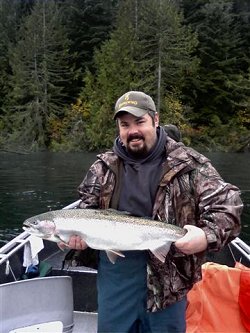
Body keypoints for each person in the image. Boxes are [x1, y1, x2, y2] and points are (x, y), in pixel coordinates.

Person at [65, 91, 242, 333]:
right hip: (116, 278)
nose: (132, 131)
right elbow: (87, 208)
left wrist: (204, 236)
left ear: (155, 120)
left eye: (140, 122)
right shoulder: (102, 167)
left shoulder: (189, 165)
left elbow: (229, 206)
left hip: (169, 279)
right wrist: (75, 238)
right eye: (125, 125)